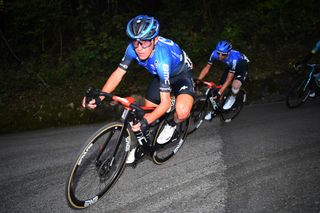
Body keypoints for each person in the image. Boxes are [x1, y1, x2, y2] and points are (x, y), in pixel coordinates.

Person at [82, 15, 194, 163]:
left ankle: (172, 124)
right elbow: (118, 74)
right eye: (136, 42)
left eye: (145, 42)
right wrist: (100, 97)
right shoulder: (132, 49)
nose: (139, 48)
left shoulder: (162, 59)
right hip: (161, 77)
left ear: (154, 40)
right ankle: (145, 142)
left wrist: (146, 121)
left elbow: (164, 104)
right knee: (150, 110)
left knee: (182, 111)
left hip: (181, 75)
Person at [197, 40, 249, 120]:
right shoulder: (214, 53)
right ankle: (214, 111)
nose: (220, 56)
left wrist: (219, 93)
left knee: (235, 85)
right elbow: (207, 68)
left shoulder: (234, 58)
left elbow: (229, 79)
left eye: (223, 54)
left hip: (241, 66)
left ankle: (233, 96)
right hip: (230, 66)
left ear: (228, 53)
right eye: (218, 53)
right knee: (220, 87)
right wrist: (198, 80)